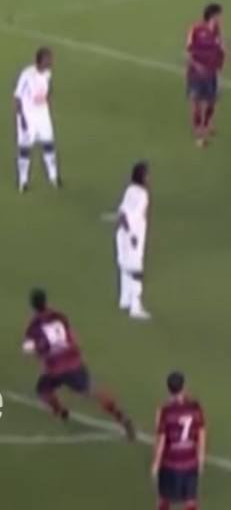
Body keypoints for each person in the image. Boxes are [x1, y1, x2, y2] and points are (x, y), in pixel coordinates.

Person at [21, 288, 135, 438]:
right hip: (73, 362)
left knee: (43, 390)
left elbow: (38, 348)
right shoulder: (59, 316)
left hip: (55, 368)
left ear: (32, 306)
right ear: (46, 302)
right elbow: (71, 336)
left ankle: (61, 411)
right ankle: (121, 417)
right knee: (93, 391)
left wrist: (31, 349)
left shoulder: (33, 326)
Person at [152, 371, 206, 510]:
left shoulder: (165, 411)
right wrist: (200, 459)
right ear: (184, 386)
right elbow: (202, 434)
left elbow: (161, 440)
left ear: (168, 388)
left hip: (170, 463)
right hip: (190, 462)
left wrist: (156, 464)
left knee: (164, 499)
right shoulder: (196, 408)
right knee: (190, 501)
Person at [13, 46, 60, 192]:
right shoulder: (27, 75)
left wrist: (45, 100)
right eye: (48, 58)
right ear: (40, 60)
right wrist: (22, 120)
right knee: (25, 149)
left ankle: (53, 177)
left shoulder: (47, 74)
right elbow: (17, 97)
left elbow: (47, 89)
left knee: (48, 145)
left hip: (43, 116)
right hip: (28, 116)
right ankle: (23, 181)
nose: (50, 61)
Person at [115, 161, 152, 320]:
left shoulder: (130, 190)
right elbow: (133, 216)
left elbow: (122, 213)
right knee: (136, 270)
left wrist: (125, 230)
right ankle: (135, 307)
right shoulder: (142, 195)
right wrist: (132, 236)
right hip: (134, 235)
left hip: (122, 234)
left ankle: (125, 299)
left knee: (124, 266)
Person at [185, 3, 225, 147]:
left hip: (212, 71)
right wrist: (196, 66)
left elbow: (220, 46)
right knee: (196, 100)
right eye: (219, 15)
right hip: (196, 72)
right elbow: (188, 51)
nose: (222, 18)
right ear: (213, 16)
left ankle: (207, 123)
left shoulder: (217, 30)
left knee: (212, 99)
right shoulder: (196, 29)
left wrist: (222, 61)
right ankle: (198, 127)